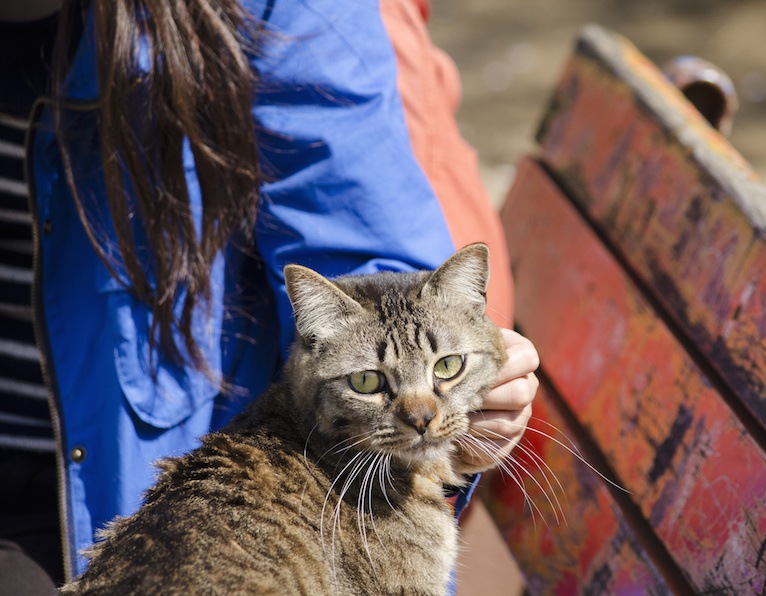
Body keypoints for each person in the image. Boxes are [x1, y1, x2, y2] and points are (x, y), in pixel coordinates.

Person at [0, 0, 539, 592]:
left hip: (108, 504)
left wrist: (475, 400)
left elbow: (360, 237)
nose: (421, 409)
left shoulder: (275, 11)